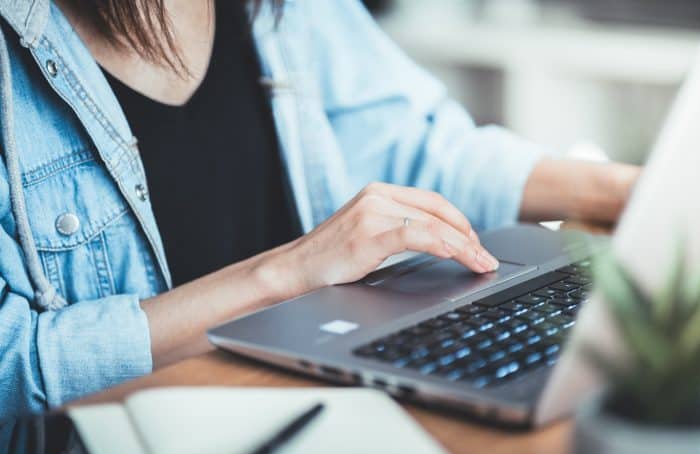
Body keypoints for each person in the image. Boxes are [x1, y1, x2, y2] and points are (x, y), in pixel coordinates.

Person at [0, 0, 639, 417]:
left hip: (323, 411)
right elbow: (12, 369)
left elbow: (415, 143)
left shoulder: (292, 10)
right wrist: (288, 273)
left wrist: (628, 191)